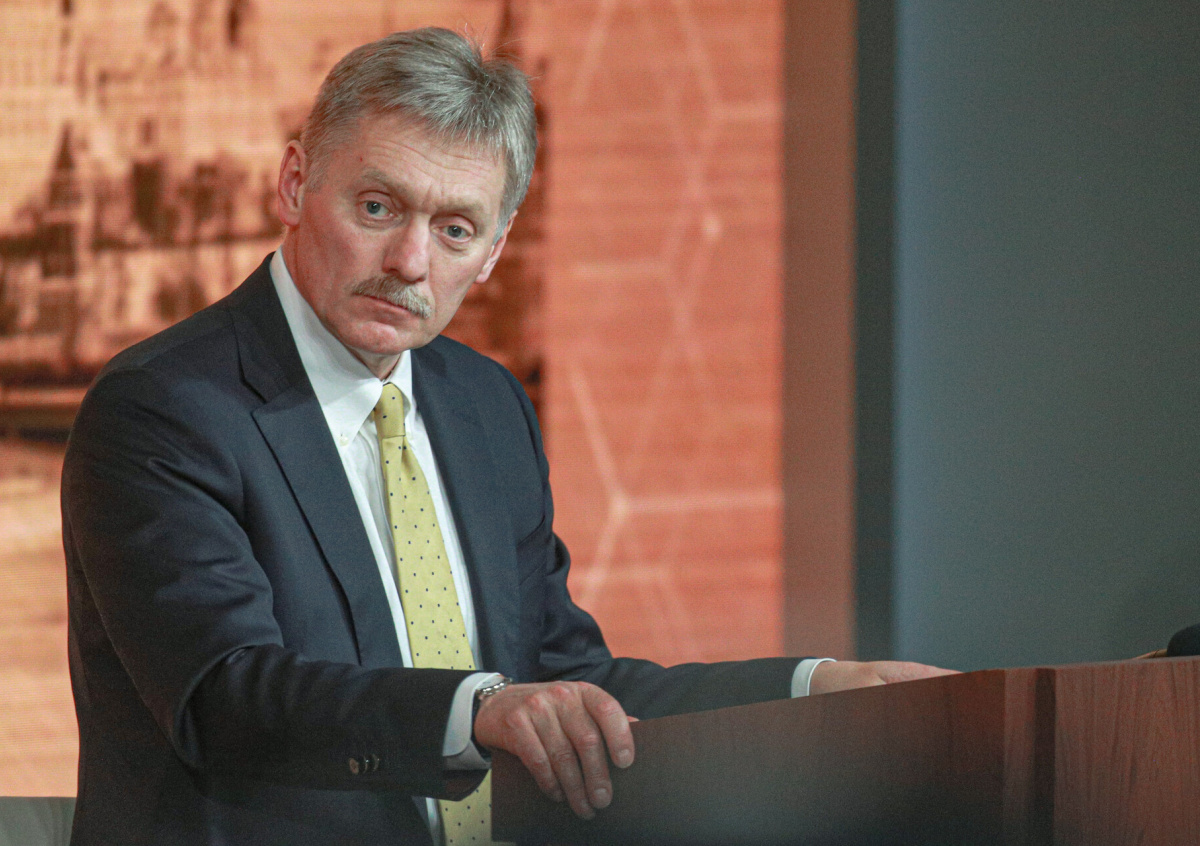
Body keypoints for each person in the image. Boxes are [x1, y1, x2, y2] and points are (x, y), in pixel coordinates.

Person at [62, 28, 951, 846]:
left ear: (493, 250)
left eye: (455, 229)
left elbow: (562, 683)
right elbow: (226, 695)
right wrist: (477, 710)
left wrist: (810, 691)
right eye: (378, 207)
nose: (411, 262)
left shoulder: (484, 405)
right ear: (295, 184)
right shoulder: (165, 406)